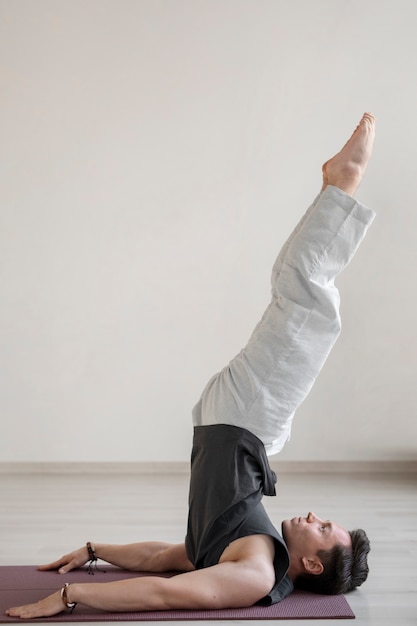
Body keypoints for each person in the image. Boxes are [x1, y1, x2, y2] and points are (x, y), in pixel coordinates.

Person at [6, 112, 375, 619]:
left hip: (241, 421)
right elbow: (162, 558)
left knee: (306, 304)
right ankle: (337, 188)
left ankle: (342, 185)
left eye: (325, 528)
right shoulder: (248, 545)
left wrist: (73, 595)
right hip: (241, 428)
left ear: (311, 563)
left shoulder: (256, 571)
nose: (316, 516)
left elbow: (164, 587)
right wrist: (96, 551)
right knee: (300, 303)